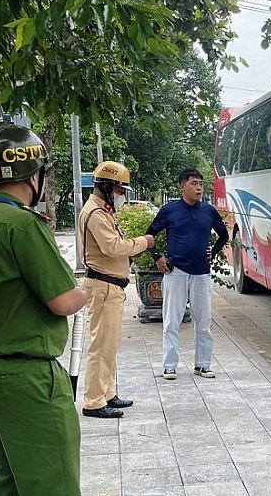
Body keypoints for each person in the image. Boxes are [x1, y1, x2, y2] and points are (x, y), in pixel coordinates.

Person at [0, 126, 86, 496]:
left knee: (7, 481)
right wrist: (85, 292)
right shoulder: (23, 225)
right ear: (33, 175)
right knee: (51, 484)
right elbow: (62, 300)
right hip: (27, 375)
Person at [79, 161, 154, 419]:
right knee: (101, 346)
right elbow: (113, 247)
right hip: (103, 286)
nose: (123, 195)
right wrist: (144, 241)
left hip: (111, 286)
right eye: (120, 190)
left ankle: (106, 393)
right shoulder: (96, 214)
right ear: (108, 186)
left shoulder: (104, 211)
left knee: (110, 344)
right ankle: (93, 401)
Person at [146, 169, 228, 380]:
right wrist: (157, 257)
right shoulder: (169, 210)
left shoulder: (208, 211)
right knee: (172, 321)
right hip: (176, 272)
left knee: (203, 322)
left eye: (201, 183)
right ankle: (170, 365)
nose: (199, 187)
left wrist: (214, 251)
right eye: (194, 183)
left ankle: (203, 364)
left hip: (201, 273)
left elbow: (224, 234)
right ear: (183, 186)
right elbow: (150, 234)